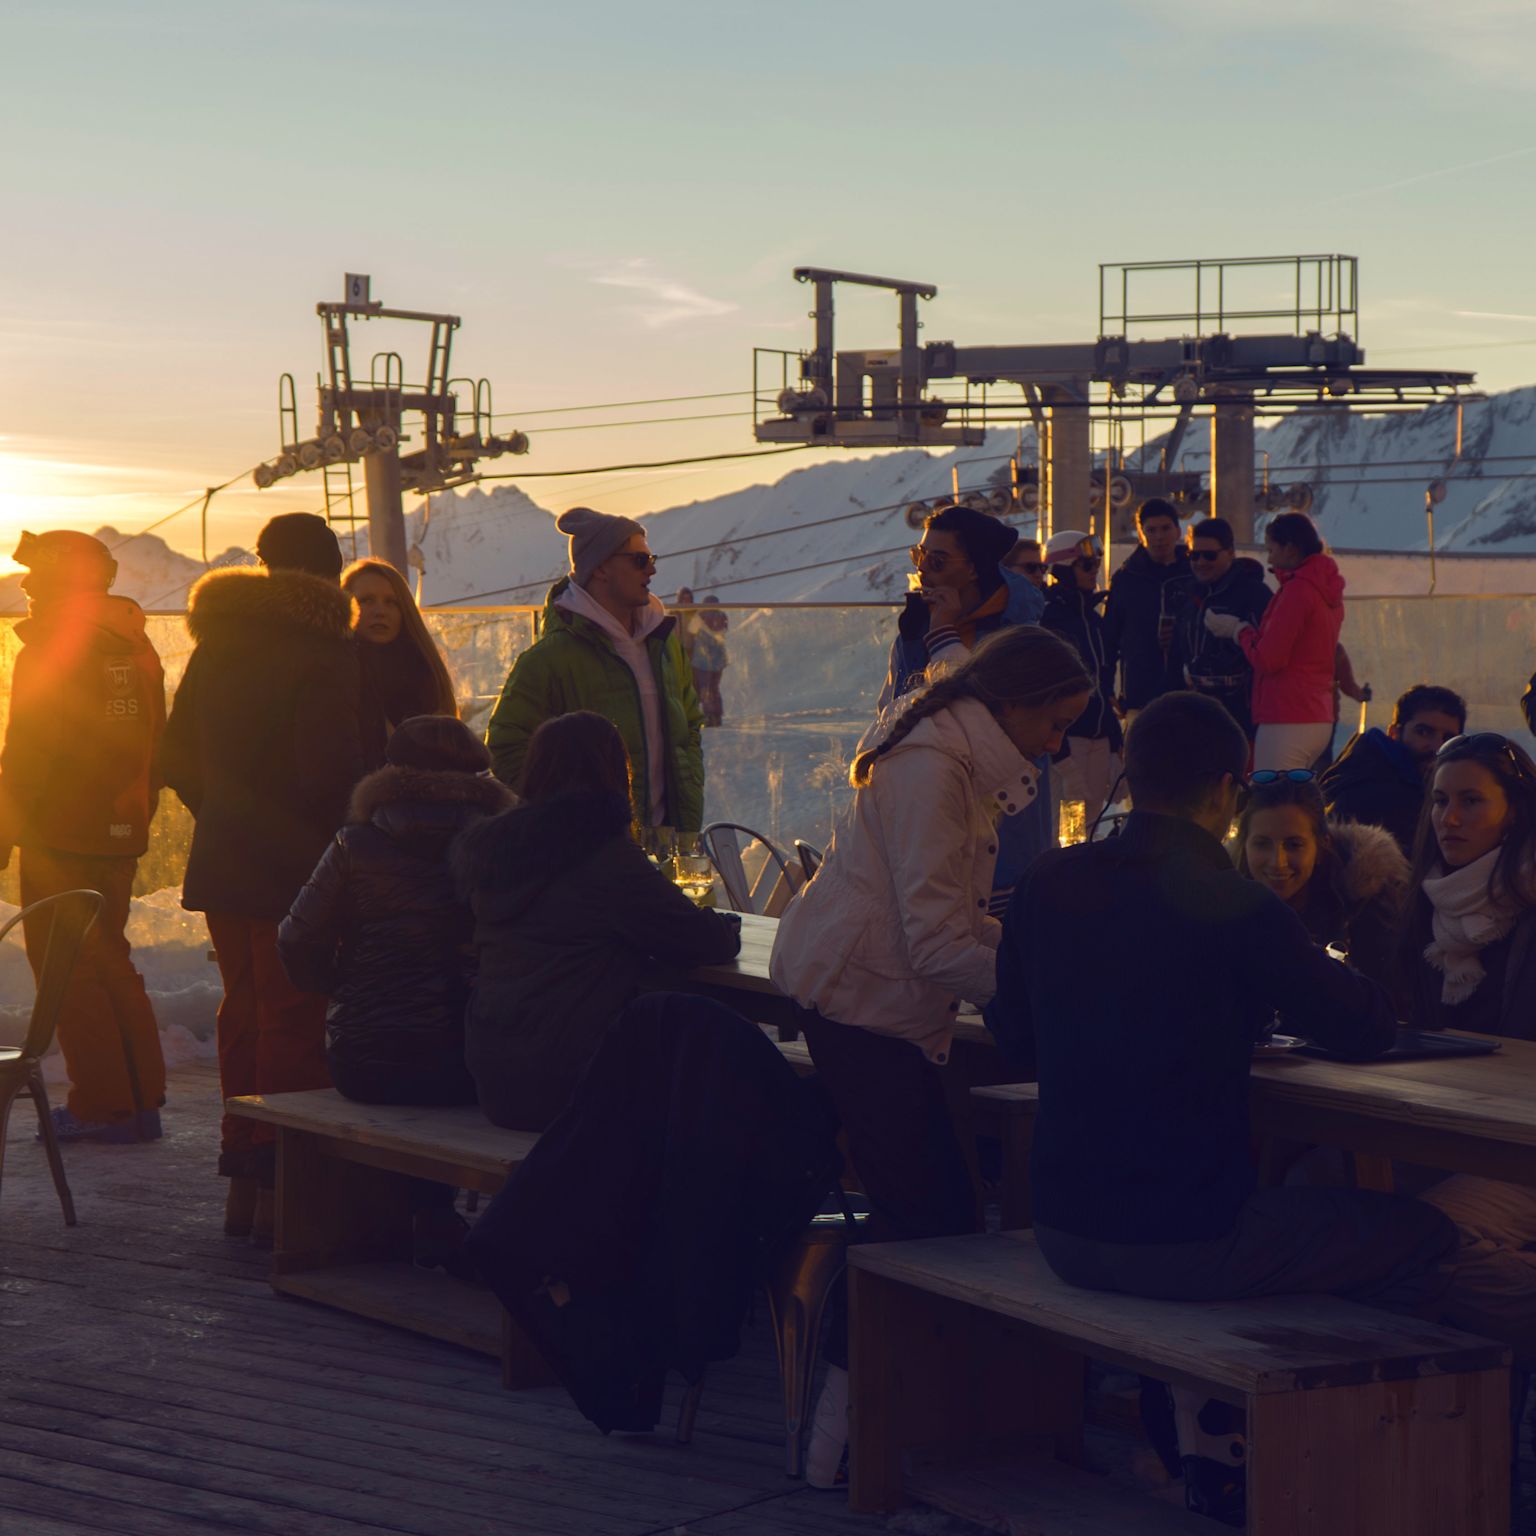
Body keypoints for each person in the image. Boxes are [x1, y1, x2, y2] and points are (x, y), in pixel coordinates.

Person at [987, 691, 1454, 1521]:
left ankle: (1224, 1433)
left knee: (1309, 1216)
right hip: (1187, 1242)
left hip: (1062, 1230)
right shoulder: (1235, 903)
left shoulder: (1048, 882)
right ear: (1227, 793)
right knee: (1419, 1233)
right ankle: (1361, 1477)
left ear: (1130, 777)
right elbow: (1363, 1025)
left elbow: (1015, 1041)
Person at [772, 625, 1092, 1487]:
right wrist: (1040, 993)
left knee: (928, 1210)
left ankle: (868, 1423)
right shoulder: (934, 772)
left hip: (862, 992)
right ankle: (845, 1434)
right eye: (1054, 724)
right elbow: (933, 940)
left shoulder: (947, 755)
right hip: (863, 999)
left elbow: (945, 920)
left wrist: (1027, 956)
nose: (1055, 744)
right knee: (929, 1220)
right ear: (1015, 704)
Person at [160, 512, 363, 1241]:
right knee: (293, 1015)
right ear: (329, 570)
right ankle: (287, 1177)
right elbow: (328, 770)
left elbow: (174, 752)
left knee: (243, 1008)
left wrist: (219, 810)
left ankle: (243, 1169)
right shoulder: (323, 647)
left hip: (223, 855)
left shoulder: (217, 642)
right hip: (297, 864)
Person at [453, 710, 741, 1133]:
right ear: (613, 772)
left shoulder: (497, 856)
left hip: (494, 1073)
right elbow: (702, 941)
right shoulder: (604, 856)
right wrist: (727, 925)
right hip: (575, 1082)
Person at [0, 529, 167, 1143]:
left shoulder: (51, 648)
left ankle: (104, 1106)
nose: (27, 592)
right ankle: (141, 1098)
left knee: (68, 971)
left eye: (36, 581)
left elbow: (29, 754)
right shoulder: (137, 645)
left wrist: (4, 832)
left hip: (59, 834)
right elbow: (157, 739)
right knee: (111, 960)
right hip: (119, 830)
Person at [277, 715, 511, 1107]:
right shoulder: (503, 847)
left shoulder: (354, 844)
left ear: (391, 770)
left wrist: (343, 986)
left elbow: (296, 937)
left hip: (366, 1060)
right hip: (471, 1061)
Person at [1398, 732, 1536, 1370]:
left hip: (1519, 1147)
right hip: (1446, 1130)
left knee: (1425, 1237)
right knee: (1312, 1192)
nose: (1449, 819)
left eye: (1471, 802)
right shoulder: (1425, 905)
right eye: (1439, 801)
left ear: (1517, 809)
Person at [485, 508, 703, 835]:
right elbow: (505, 747)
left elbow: (690, 726)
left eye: (651, 558)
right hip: (591, 853)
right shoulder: (549, 659)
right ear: (601, 567)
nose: (653, 570)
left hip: (670, 842)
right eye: (640, 560)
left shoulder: (664, 645)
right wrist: (566, 816)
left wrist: (689, 794)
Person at [882, 503, 1052, 911]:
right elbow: (894, 714)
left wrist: (942, 632)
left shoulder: (1018, 635)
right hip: (933, 819)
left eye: (937, 560)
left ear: (975, 568)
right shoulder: (918, 624)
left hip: (1005, 825)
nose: (924, 569)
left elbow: (979, 726)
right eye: (919, 556)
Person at [1235, 774, 1409, 989]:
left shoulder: (1363, 908)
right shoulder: (1222, 909)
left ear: (1320, 846)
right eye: (1262, 844)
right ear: (1244, 845)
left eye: (1294, 845)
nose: (1277, 862)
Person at [1203, 511, 1344, 772]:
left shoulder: (1297, 591)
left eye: (1272, 549)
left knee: (1270, 799)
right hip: (1317, 715)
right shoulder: (1326, 590)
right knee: (1295, 798)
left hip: (1286, 716)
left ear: (1290, 548)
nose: (1269, 558)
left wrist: (1238, 630)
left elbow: (1269, 658)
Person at [1320, 684, 1466, 855]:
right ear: (1394, 733)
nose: (1437, 746)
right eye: (1424, 732)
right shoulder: (1370, 791)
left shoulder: (1436, 788)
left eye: (1448, 739)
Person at [341, 558, 457, 769]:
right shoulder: (337, 673)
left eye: (391, 602)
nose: (380, 611)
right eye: (366, 600)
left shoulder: (426, 674)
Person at [1040, 530, 1122, 826]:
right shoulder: (1050, 619)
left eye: (1095, 565)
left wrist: (1115, 741)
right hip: (1068, 738)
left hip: (1098, 735)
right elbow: (1048, 688)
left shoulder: (1094, 620)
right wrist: (1060, 757)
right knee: (1066, 827)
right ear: (1062, 570)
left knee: (1089, 824)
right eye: (1085, 566)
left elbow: (1103, 683)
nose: (1093, 572)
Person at [1172, 517, 1271, 740]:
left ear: (1230, 552)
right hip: (1194, 707)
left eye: (1210, 555)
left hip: (1241, 711)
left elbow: (1271, 652)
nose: (1200, 562)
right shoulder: (1188, 595)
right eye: (1194, 555)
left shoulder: (1254, 594)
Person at [1102, 498, 1193, 728]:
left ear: (1177, 531)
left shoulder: (1194, 576)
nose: (1159, 537)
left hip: (1189, 693)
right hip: (1140, 695)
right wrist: (1106, 686)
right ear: (1141, 534)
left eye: (1165, 529)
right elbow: (1109, 637)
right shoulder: (1126, 579)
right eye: (1151, 530)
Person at [690, 596, 729, 728]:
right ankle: (717, 716)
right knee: (714, 688)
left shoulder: (700, 617)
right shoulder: (722, 616)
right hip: (718, 661)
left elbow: (691, 629)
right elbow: (723, 634)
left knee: (705, 689)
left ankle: (709, 716)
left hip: (702, 661)